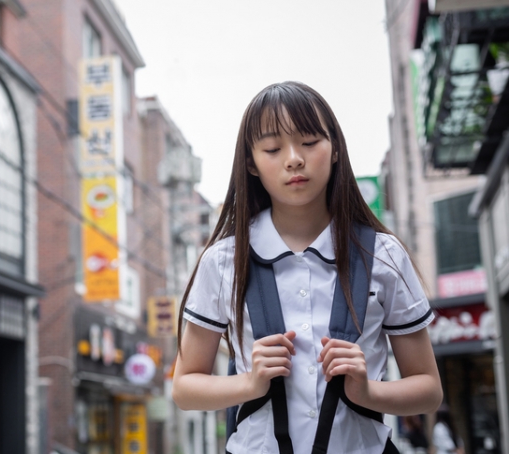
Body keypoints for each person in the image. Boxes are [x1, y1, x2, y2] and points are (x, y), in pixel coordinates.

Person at [171, 81, 443, 453]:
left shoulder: (383, 254)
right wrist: (250, 383)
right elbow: (185, 387)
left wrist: (367, 391)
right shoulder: (223, 261)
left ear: (334, 150)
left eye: (310, 142)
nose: (294, 158)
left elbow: (428, 389)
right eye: (272, 148)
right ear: (251, 162)